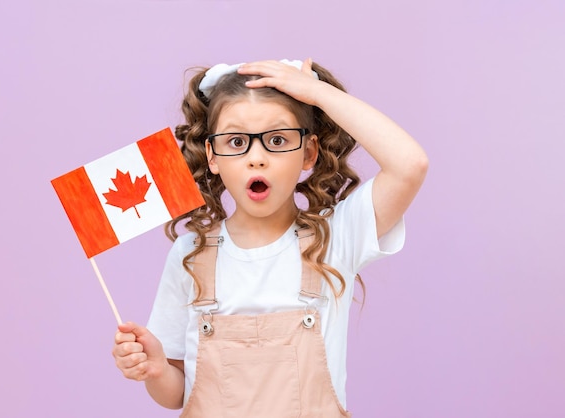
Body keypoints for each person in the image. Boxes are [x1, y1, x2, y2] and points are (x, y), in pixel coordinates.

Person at [112, 58, 428, 417]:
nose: (256, 158)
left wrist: (317, 94)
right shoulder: (190, 254)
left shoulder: (336, 238)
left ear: (308, 153)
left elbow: (409, 164)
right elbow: (178, 394)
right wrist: (154, 369)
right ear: (213, 156)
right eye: (236, 141)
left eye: (277, 139)